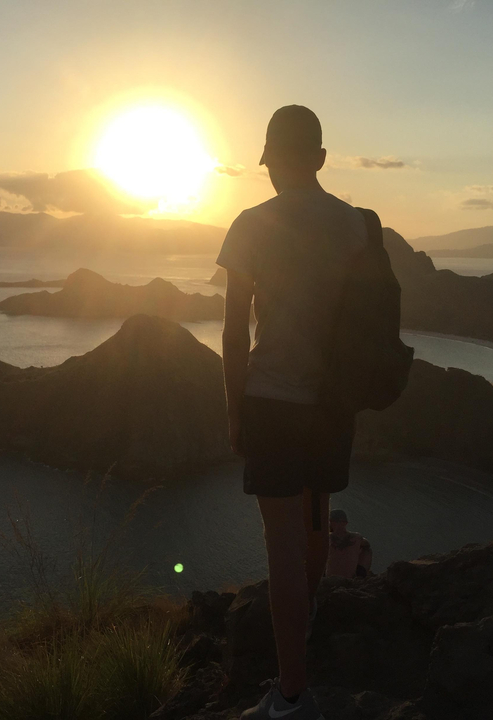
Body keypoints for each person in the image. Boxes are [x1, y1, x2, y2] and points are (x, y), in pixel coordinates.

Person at [219, 105, 369, 720]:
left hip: (273, 402)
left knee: (282, 544)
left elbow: (232, 333)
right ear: (322, 158)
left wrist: (234, 411)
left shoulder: (251, 225)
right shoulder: (358, 226)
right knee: (314, 520)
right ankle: (303, 636)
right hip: (332, 405)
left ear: (271, 162)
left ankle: (291, 697)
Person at [325, 508, 372, 579]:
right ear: (346, 523)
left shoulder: (326, 538)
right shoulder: (357, 537)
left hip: (330, 578)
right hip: (349, 579)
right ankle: (360, 576)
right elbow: (367, 544)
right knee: (367, 550)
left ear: (330, 522)